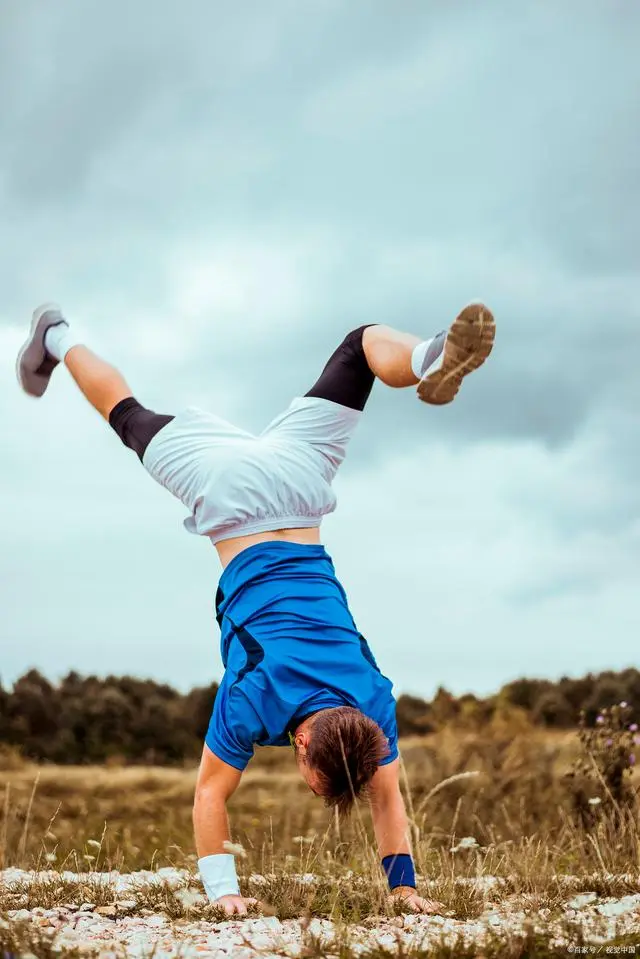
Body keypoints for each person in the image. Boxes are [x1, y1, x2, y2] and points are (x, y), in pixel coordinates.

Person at [16, 301, 495, 915]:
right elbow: (210, 795)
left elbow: (386, 797)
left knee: (360, 345)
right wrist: (226, 896)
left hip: (298, 484)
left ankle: (427, 356)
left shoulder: (374, 701)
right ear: (301, 752)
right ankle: (58, 336)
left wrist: (406, 889)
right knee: (128, 414)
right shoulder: (254, 699)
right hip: (229, 495)